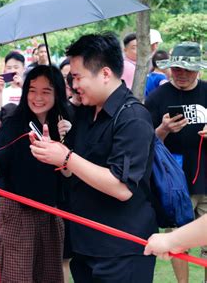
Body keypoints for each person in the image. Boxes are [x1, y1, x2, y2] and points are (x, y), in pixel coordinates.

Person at [30, 33, 158, 282]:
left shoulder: (132, 118)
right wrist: (54, 154)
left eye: (77, 77)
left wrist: (66, 157)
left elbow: (121, 187)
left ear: (105, 74)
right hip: (85, 244)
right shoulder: (86, 114)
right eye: (71, 78)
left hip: (122, 249)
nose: (74, 85)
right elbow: (74, 170)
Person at [0, 65, 72, 282]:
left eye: (46, 91)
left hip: (50, 211)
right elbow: (1, 151)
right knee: (18, 276)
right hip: (16, 211)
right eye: (32, 90)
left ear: (58, 92)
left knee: (50, 276)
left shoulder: (65, 123)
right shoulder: (15, 121)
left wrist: (67, 139)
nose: (38, 97)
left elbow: (71, 170)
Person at [145, 41, 207, 283]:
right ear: (169, 68)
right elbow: (144, 141)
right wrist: (162, 130)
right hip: (174, 182)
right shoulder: (157, 97)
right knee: (177, 239)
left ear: (198, 70)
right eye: (177, 69)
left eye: (188, 70)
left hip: (206, 177)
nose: (181, 74)